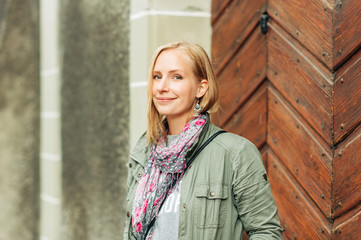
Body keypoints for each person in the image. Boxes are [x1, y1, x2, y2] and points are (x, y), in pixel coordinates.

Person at [124, 42, 283, 240]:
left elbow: (266, 232)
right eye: (157, 77)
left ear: (201, 88)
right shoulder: (144, 152)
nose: (162, 87)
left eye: (176, 77)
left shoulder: (234, 153)